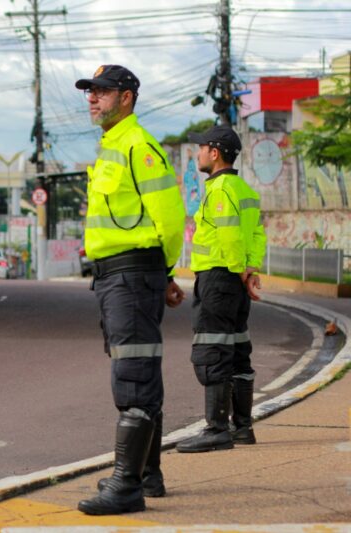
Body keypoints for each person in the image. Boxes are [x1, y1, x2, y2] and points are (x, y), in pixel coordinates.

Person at [74, 65, 186, 516]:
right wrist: (165, 276)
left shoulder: (139, 148)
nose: (92, 99)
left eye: (102, 92)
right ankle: (147, 475)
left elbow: (171, 218)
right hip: (118, 275)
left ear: (127, 98)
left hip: (132, 274)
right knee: (136, 367)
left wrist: (165, 269)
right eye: (90, 92)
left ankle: (126, 487)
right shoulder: (112, 148)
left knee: (133, 375)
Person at [175, 125, 266, 454]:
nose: (197, 153)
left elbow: (229, 237)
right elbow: (255, 235)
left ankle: (216, 429)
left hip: (219, 278)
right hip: (236, 282)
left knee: (213, 351)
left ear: (215, 153)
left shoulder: (220, 189)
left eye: (201, 148)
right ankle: (242, 428)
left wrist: (240, 271)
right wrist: (251, 270)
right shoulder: (244, 190)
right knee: (239, 351)